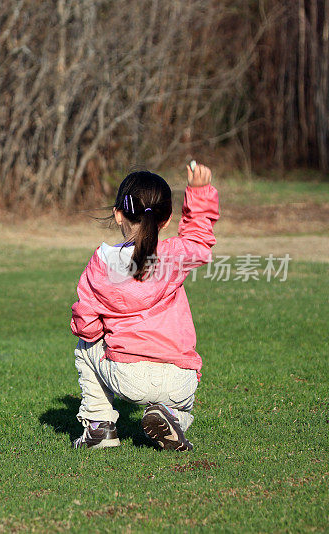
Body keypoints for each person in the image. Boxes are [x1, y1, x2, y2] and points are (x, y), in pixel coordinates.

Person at [70, 162, 219, 450]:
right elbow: (199, 240)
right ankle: (172, 415)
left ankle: (99, 428)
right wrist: (199, 194)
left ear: (118, 214)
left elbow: (86, 323)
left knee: (86, 346)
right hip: (181, 378)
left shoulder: (101, 263)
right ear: (166, 219)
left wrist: (98, 332)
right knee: (181, 401)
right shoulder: (174, 256)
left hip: (129, 376)